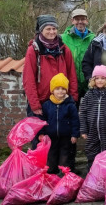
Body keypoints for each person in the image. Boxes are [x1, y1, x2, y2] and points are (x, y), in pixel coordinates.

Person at [22, 14, 78, 148]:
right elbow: (28, 80)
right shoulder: (34, 51)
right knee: (40, 139)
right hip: (41, 102)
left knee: (62, 138)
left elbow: (72, 75)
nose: (52, 32)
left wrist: (73, 98)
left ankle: (62, 166)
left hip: (61, 100)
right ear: (41, 31)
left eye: (54, 29)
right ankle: (40, 167)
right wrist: (35, 105)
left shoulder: (64, 50)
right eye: (48, 29)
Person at [60, 8, 94, 171]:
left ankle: (93, 161)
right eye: (77, 19)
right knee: (69, 123)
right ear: (72, 21)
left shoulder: (93, 38)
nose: (80, 22)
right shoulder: (63, 38)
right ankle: (68, 164)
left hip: (89, 86)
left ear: (87, 20)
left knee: (92, 123)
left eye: (83, 19)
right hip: (69, 87)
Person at [79, 65, 106, 170]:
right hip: (92, 130)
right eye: (97, 78)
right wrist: (83, 130)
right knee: (91, 152)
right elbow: (82, 113)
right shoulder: (88, 95)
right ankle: (91, 174)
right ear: (93, 80)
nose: (100, 81)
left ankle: (105, 174)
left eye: (103, 78)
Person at [40, 73, 80, 174]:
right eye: (57, 88)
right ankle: (52, 172)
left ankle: (65, 173)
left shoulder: (70, 105)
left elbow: (75, 120)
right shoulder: (47, 105)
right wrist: (41, 133)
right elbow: (42, 120)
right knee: (51, 155)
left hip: (66, 137)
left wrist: (75, 134)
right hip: (51, 137)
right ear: (52, 90)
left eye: (63, 88)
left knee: (65, 156)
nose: (60, 91)